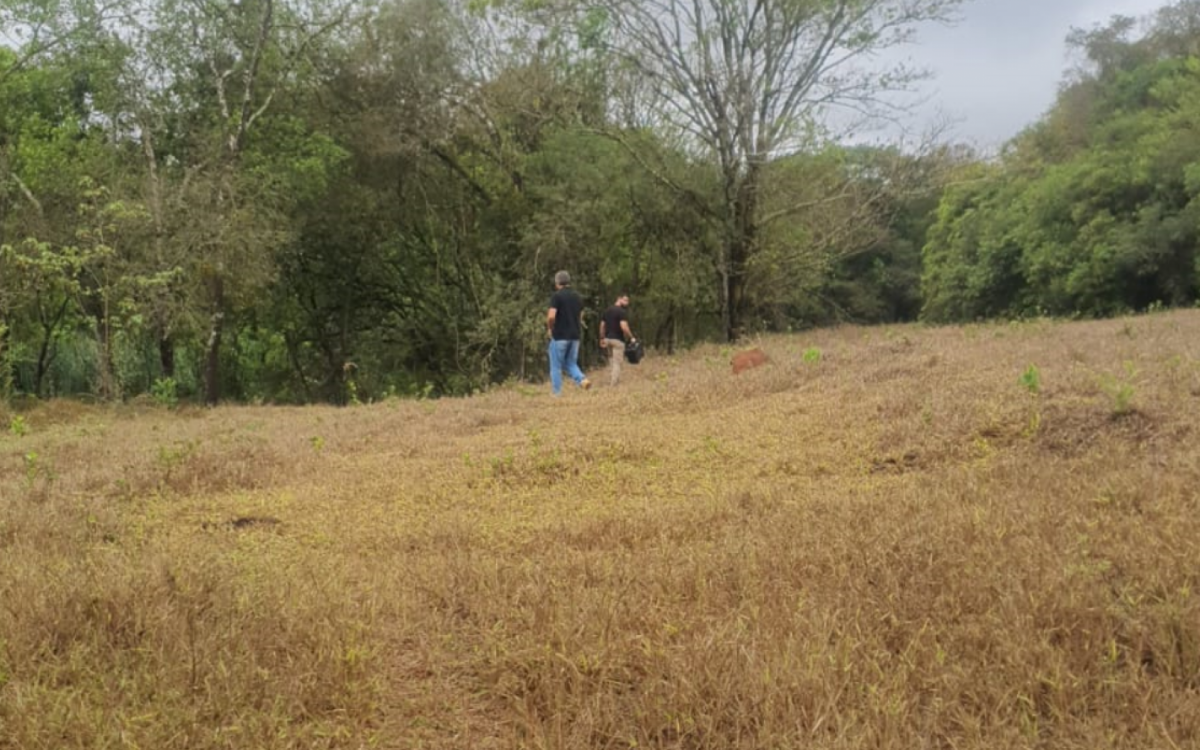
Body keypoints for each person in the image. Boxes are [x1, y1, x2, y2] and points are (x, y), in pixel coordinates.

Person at [546, 270, 591, 396]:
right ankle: (582, 380)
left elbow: (551, 316)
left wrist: (550, 328)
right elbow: (581, 314)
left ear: (557, 283)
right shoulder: (577, 296)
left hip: (560, 336)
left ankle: (557, 393)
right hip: (575, 335)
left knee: (556, 366)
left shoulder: (557, 296)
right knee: (571, 362)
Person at [599, 294, 636, 386]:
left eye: (628, 301)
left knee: (611, 361)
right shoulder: (621, 312)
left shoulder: (607, 311)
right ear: (619, 299)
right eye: (625, 300)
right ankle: (613, 385)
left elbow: (602, 326)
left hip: (607, 339)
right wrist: (631, 337)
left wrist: (602, 338)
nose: (627, 303)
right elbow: (624, 327)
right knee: (617, 363)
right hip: (618, 341)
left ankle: (612, 380)